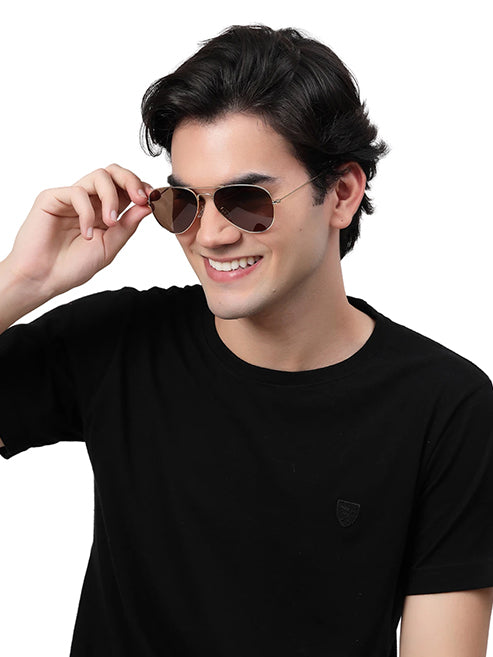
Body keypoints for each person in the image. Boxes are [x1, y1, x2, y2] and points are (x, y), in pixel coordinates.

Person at [0, 24, 492, 657]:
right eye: (183, 203)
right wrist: (22, 280)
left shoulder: (446, 408)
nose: (210, 236)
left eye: (246, 200)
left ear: (341, 194)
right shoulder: (119, 344)